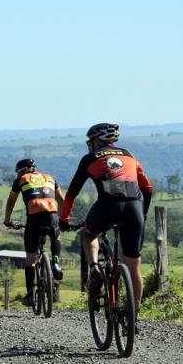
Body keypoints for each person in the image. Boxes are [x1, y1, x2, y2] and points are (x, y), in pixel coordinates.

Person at [59, 123, 154, 331]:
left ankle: (94, 269)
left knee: (88, 234)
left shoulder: (90, 158)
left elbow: (72, 193)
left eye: (90, 141)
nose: (89, 145)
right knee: (134, 263)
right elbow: (147, 188)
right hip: (134, 208)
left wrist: (64, 219)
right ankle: (133, 315)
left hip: (107, 205)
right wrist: (143, 213)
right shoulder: (129, 154)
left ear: (96, 140)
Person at [3, 158, 66, 307]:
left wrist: (7, 220)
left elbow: (11, 200)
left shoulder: (22, 179)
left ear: (23, 170)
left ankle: (30, 294)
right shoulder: (50, 177)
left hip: (34, 218)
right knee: (56, 236)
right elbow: (62, 200)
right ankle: (56, 261)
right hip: (53, 215)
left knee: (30, 259)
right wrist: (64, 218)